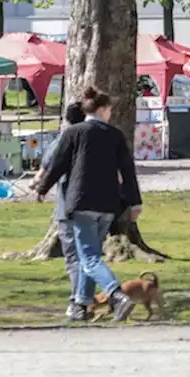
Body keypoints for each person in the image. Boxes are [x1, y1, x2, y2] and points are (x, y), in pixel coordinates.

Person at [36, 87, 143, 323]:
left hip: (81, 202)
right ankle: (80, 303)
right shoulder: (114, 135)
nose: (111, 114)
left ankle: (116, 294)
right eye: (109, 110)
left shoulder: (73, 133)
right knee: (91, 256)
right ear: (103, 110)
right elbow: (127, 171)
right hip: (107, 204)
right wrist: (134, 202)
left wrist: (43, 188)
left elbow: (58, 165)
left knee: (89, 258)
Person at [30, 103, 88, 320]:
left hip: (67, 205)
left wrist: (38, 185)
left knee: (74, 257)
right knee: (89, 256)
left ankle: (77, 300)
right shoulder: (96, 139)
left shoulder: (61, 141)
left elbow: (47, 170)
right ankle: (89, 298)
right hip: (94, 205)